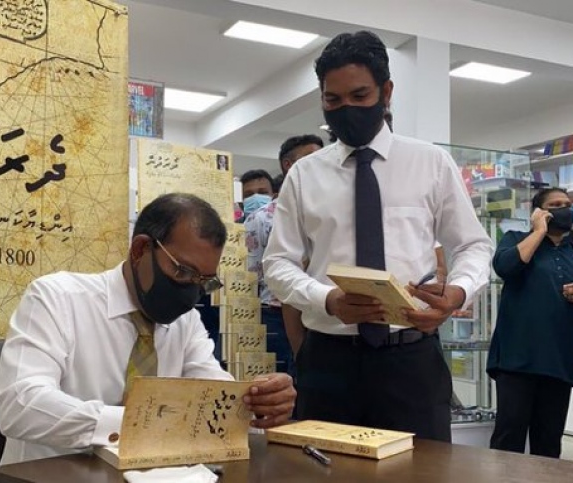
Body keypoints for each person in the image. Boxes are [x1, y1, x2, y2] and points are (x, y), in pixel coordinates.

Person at [263, 30, 493, 442]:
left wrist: (456, 293)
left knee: (420, 471)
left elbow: (472, 244)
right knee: (325, 469)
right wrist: (327, 299)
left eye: (359, 95)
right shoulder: (304, 174)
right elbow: (277, 263)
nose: (345, 108)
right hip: (328, 358)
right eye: (333, 100)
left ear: (386, 92)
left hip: (410, 358)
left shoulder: (430, 163)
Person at [0, 193, 296, 464]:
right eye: (182, 271)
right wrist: (140, 423)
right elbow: (22, 404)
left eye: (203, 281)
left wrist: (254, 404)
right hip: (50, 474)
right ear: (140, 249)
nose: (191, 293)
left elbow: (212, 390)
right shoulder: (56, 298)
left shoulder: (185, 321)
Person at [487, 187, 573, 458]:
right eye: (555, 204)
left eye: (568, 203)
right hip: (517, 359)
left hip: (560, 361)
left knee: (548, 442)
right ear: (540, 211)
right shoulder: (516, 238)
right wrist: (538, 232)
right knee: (508, 439)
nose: (564, 208)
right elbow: (506, 267)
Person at [245, 135, 324, 374]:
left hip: (321, 308)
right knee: (282, 378)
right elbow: (252, 273)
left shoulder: (328, 210)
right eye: (313, 157)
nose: (321, 164)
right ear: (289, 165)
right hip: (276, 313)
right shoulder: (262, 217)